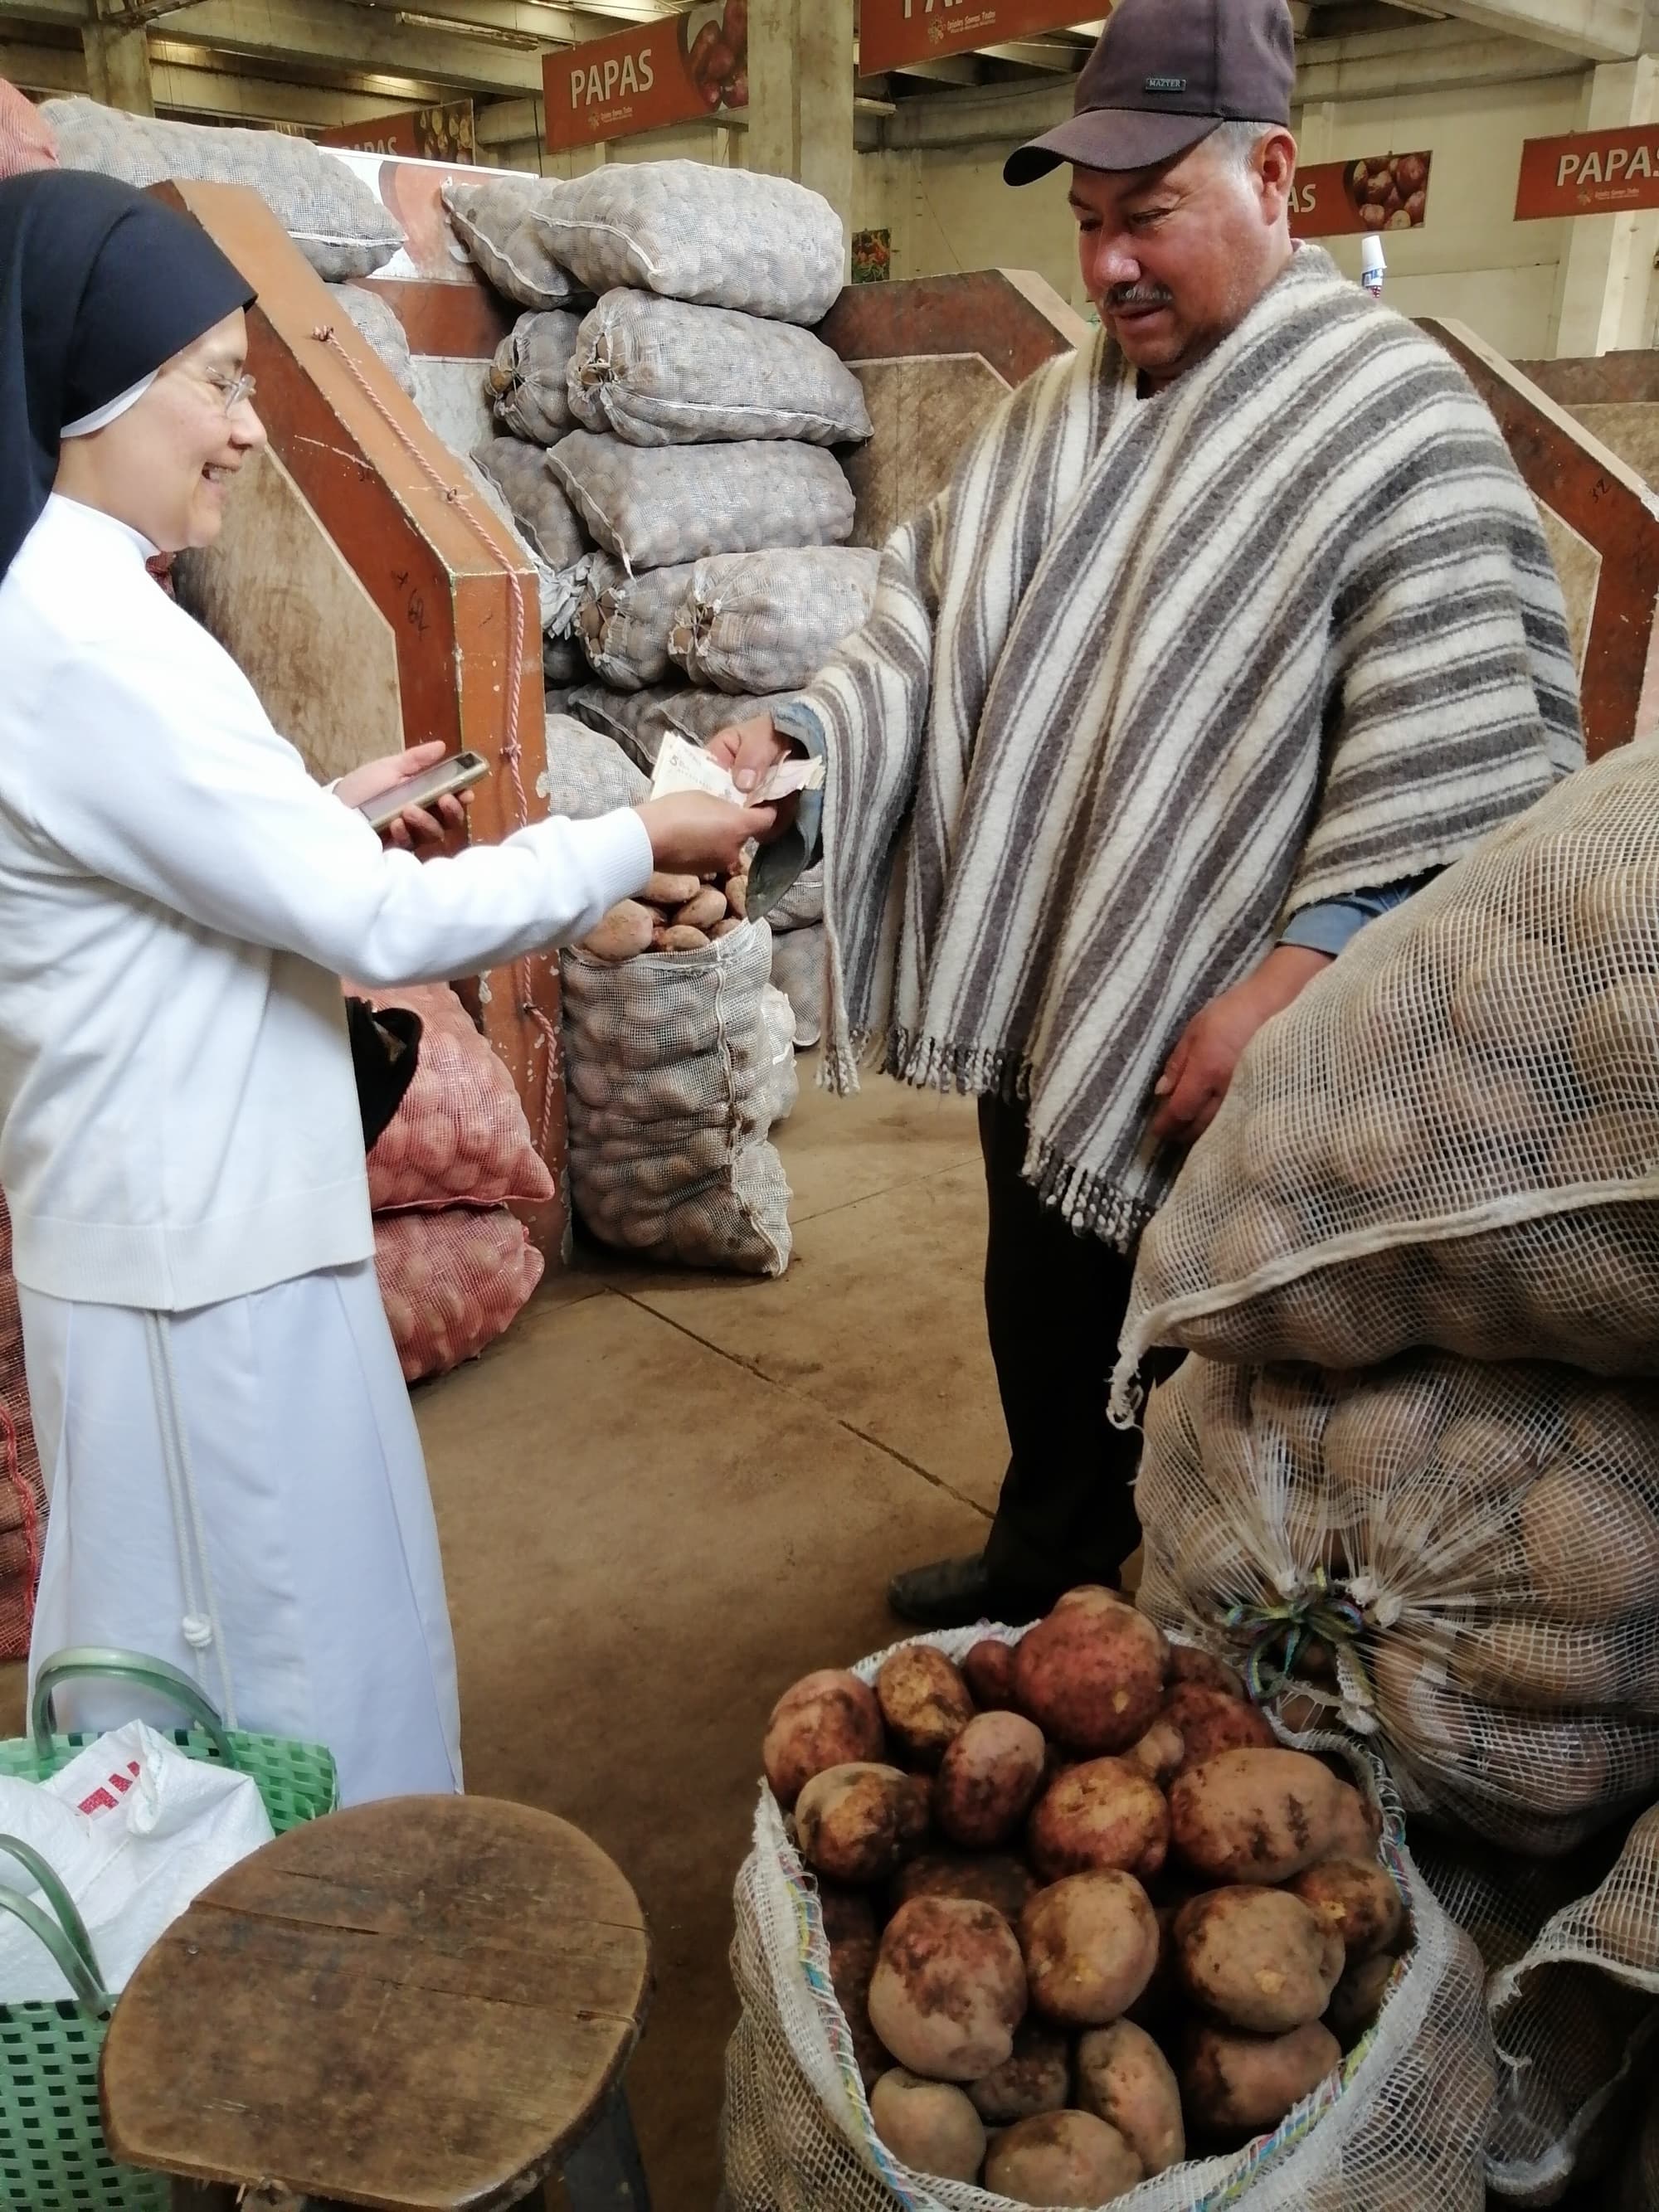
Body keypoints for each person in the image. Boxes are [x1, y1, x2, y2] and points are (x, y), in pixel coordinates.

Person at [713, 0, 1584, 1629]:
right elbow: (926, 628)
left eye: (1149, 217)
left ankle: (1214, 1634)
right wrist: (808, 745)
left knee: (1233, 1367)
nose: (1109, 266)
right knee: (1043, 1300)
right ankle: (1045, 1556)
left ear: (1274, 175)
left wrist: (1290, 976)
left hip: (1284, 1032)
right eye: (1088, 224)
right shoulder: (1054, 412)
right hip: (1069, 969)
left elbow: (1466, 764)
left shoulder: (1391, 415)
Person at [0, 168, 770, 1801]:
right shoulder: (80, 634)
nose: (245, 428)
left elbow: (149, 870)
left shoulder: (74, 612)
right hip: (197, 1277)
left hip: (200, 1241)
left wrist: (316, 812)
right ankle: (304, 2006)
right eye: (214, 379)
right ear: (95, 393)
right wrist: (633, 831)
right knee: (266, 1700)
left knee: (279, 1660)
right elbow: (376, 923)